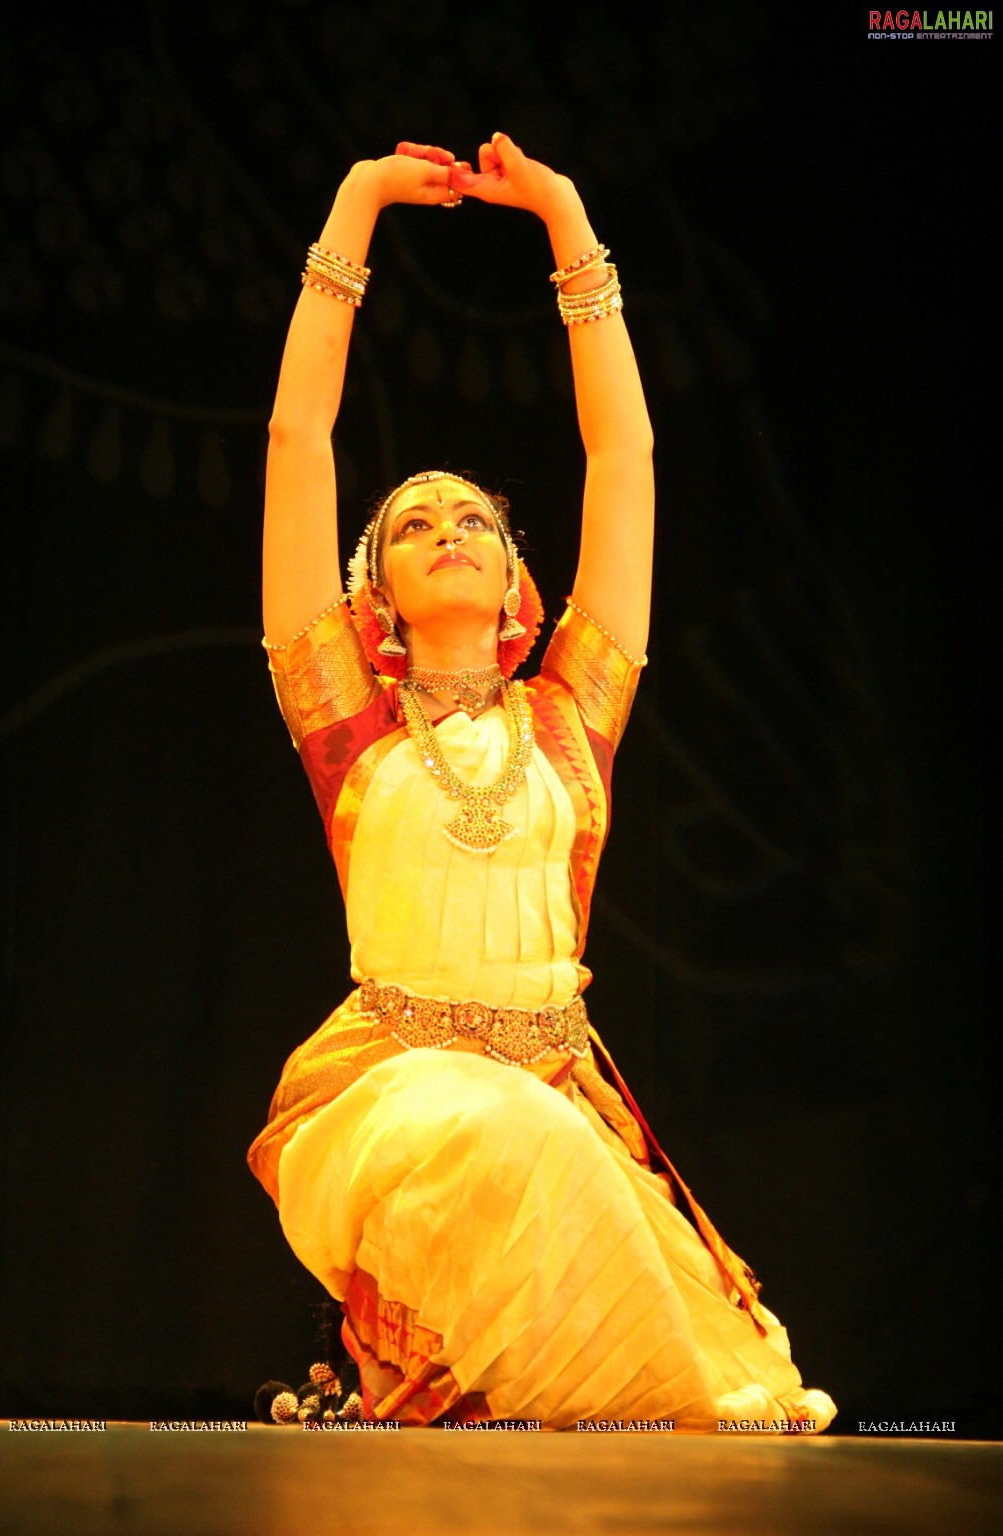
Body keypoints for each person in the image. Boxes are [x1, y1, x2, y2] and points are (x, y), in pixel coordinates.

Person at [247, 135, 835, 1431]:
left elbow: (622, 462)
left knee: (732, 1397)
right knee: (521, 1147)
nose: (448, 530)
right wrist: (353, 205)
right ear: (375, 594)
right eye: (412, 521)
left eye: (476, 519)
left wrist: (571, 227)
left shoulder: (574, 713)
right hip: (400, 1091)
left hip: (557, 1093)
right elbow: (299, 437)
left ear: (521, 580)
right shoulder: (348, 723)